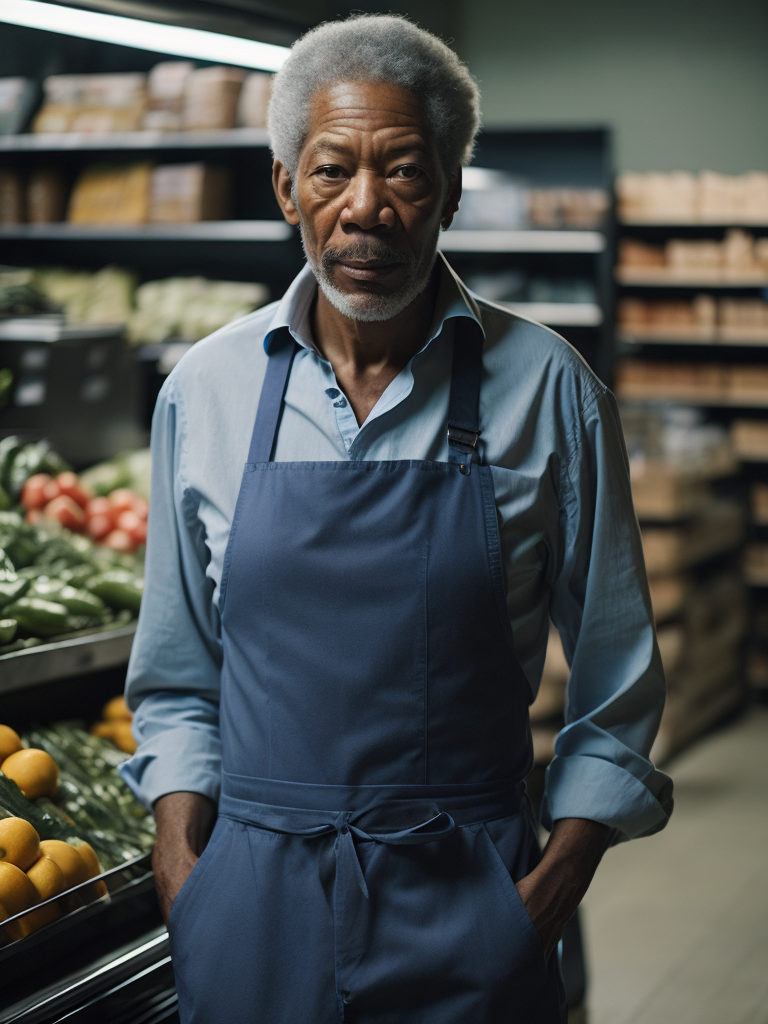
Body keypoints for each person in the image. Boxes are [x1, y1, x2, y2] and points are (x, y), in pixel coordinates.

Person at [120, 14, 673, 1023]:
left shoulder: (553, 392)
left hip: (471, 899)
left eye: (407, 172)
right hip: (251, 905)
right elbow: (176, 672)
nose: (366, 208)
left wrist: (542, 897)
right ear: (287, 184)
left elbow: (617, 685)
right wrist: (185, 868)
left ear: (453, 191)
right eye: (332, 171)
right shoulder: (203, 393)